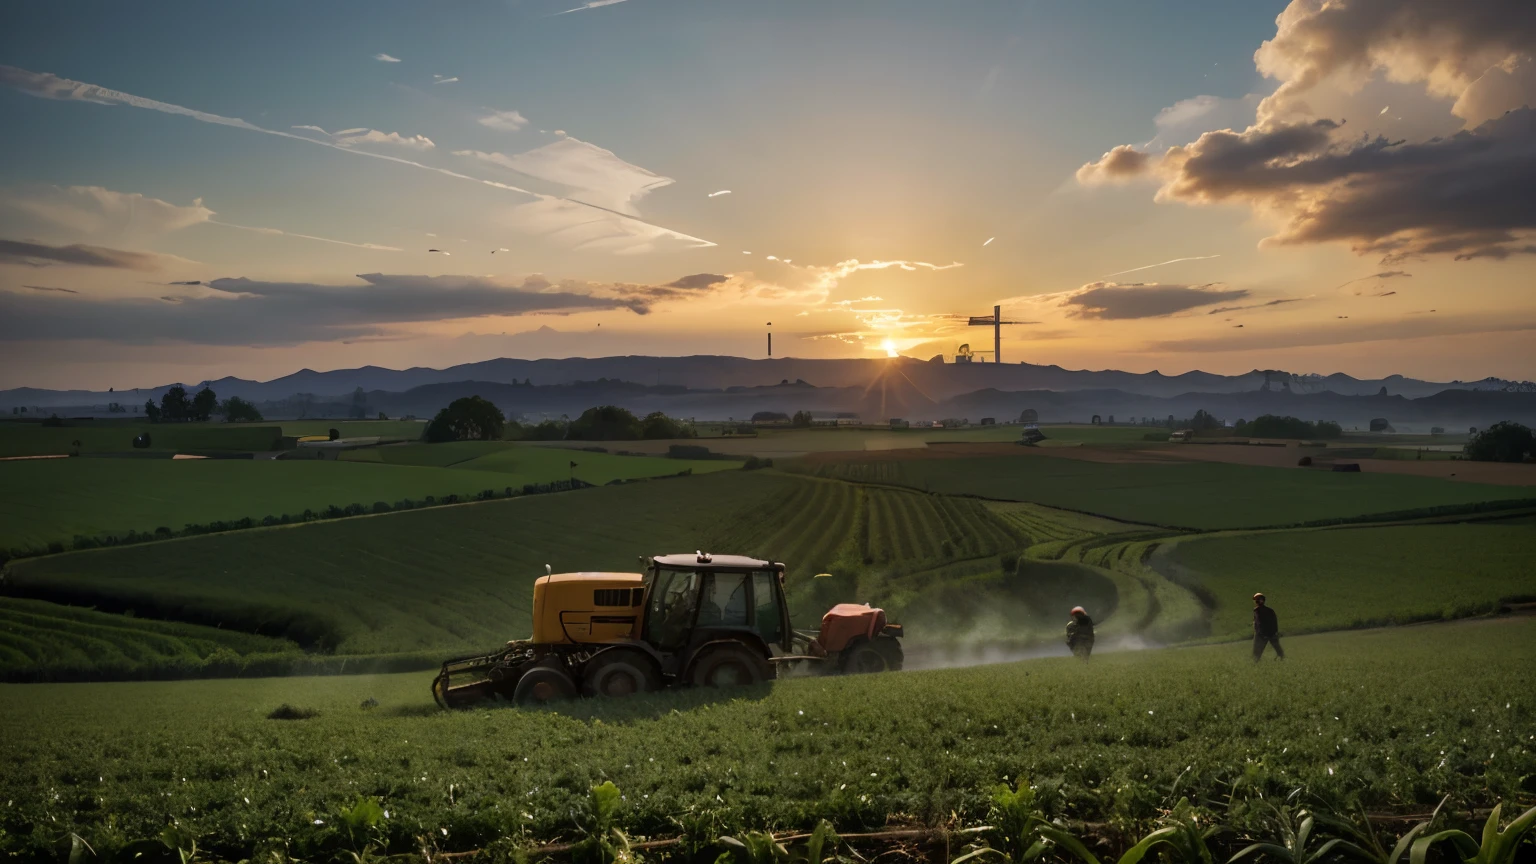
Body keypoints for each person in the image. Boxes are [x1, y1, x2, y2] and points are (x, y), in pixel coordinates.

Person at [1252, 593, 1284, 661]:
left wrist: (1273, 632)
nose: (1256, 601)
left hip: (1267, 632)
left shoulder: (1267, 611)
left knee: (1275, 646)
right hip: (1262, 633)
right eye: (1256, 600)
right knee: (1257, 651)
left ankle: (1281, 658)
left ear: (1262, 600)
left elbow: (1273, 622)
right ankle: (1256, 662)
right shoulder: (1256, 610)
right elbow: (1256, 622)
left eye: (1258, 600)